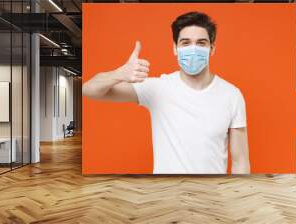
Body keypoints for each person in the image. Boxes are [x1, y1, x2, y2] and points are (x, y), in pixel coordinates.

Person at [83, 11, 250, 174]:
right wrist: (119, 74)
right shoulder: (158, 88)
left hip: (212, 197)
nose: (193, 49)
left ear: (212, 48)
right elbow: (89, 90)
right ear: (175, 48)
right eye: (185, 43)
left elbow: (240, 162)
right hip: (166, 195)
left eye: (201, 43)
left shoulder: (231, 95)